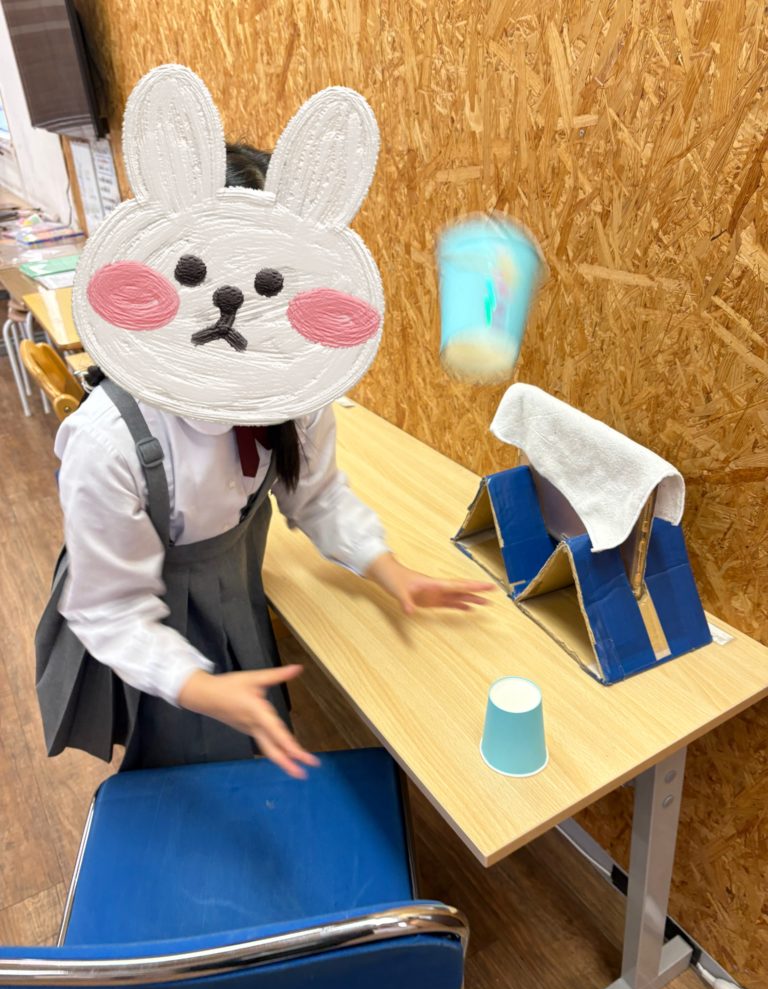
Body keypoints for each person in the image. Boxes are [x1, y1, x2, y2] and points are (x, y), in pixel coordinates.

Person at [52, 141, 492, 779]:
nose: (235, 310)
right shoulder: (107, 442)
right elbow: (111, 609)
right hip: (142, 608)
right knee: (187, 760)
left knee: (245, 729)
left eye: (268, 290)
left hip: (233, 585)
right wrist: (199, 687)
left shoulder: (293, 391)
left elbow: (317, 494)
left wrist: (388, 568)